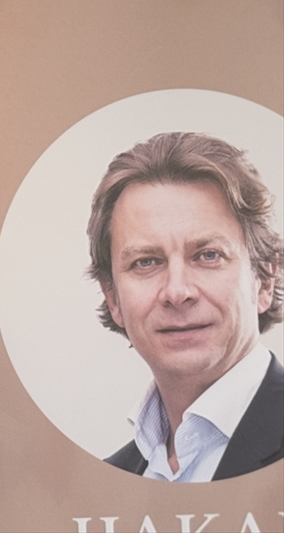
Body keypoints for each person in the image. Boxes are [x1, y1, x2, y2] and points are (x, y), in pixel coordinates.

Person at [85, 131, 284, 482]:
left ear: (265, 280)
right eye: (146, 262)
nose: (177, 292)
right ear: (113, 298)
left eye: (208, 255)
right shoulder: (101, 486)